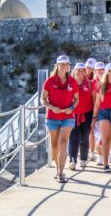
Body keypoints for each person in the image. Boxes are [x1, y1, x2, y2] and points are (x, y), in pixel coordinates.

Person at [41, 55, 79, 183]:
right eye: (62, 64)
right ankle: (58, 166)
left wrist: (72, 108)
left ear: (69, 67)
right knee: (54, 145)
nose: (64, 67)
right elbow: (43, 100)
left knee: (63, 143)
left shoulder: (72, 82)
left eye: (66, 64)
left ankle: (60, 172)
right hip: (52, 117)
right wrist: (52, 107)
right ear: (57, 66)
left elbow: (76, 99)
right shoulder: (50, 81)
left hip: (67, 117)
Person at [93, 63, 111, 172]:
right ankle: (106, 164)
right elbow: (97, 103)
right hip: (104, 112)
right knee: (106, 138)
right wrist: (94, 118)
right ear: (108, 72)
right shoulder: (100, 86)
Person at [68, 63, 93, 170]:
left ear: (85, 72)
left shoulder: (89, 84)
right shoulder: (69, 83)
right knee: (74, 137)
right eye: (78, 70)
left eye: (83, 71)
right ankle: (72, 160)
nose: (80, 73)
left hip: (87, 113)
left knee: (84, 136)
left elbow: (94, 98)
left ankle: (83, 158)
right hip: (73, 114)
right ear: (74, 71)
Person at [89, 61, 105, 163]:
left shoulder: (108, 81)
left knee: (106, 135)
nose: (100, 71)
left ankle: (105, 153)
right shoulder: (91, 83)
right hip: (94, 111)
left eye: (102, 69)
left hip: (105, 110)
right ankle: (100, 155)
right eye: (98, 70)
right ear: (95, 71)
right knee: (98, 134)